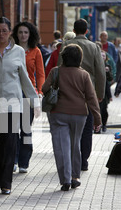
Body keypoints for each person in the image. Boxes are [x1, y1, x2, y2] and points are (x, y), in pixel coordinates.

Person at [0, 17, 41, 195]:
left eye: (4, 31)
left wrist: (34, 101)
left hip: (12, 105)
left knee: (9, 143)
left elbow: (24, 78)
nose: (1, 34)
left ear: (10, 32)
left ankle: (6, 182)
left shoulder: (19, 51)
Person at [43, 44, 101, 191]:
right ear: (79, 59)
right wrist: (97, 119)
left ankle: (65, 179)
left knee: (61, 147)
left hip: (59, 113)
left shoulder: (56, 71)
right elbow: (91, 98)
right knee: (75, 145)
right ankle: (75, 176)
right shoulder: (84, 75)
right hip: (79, 115)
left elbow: (44, 88)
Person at [57, 19, 106, 171]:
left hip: (67, 92)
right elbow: (100, 72)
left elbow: (59, 68)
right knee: (86, 128)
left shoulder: (65, 45)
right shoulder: (94, 47)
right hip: (87, 92)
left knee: (69, 129)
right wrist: (100, 94)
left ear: (74, 29)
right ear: (86, 31)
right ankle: (83, 159)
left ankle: (71, 159)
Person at [12, 21, 45, 174]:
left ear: (30, 34)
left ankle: (23, 161)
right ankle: (13, 159)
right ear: (16, 34)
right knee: (11, 129)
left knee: (25, 130)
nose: (23, 35)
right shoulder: (11, 50)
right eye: (20, 32)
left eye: (26, 32)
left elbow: (40, 74)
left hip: (28, 94)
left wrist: (39, 91)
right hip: (12, 93)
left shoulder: (35, 51)